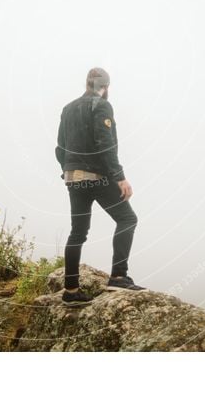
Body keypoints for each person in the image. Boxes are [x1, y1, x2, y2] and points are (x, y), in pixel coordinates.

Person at [55, 67, 146, 307]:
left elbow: (60, 147)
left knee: (78, 232)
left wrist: (68, 170)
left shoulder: (68, 109)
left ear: (87, 83)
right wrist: (120, 177)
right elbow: (105, 144)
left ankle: (71, 291)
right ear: (105, 86)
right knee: (128, 219)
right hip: (98, 177)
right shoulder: (102, 106)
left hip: (73, 178)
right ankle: (118, 276)